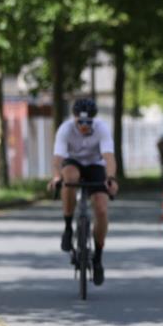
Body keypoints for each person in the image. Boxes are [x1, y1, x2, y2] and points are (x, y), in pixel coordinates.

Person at [47, 98, 119, 285]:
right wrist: (56, 177)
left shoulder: (102, 128)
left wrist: (111, 178)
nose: (84, 126)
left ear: (94, 120)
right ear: (74, 118)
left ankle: (98, 258)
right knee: (69, 178)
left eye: (88, 122)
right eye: (80, 122)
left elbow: (109, 157)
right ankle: (68, 227)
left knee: (101, 209)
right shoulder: (65, 129)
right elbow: (57, 159)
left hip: (95, 165)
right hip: (73, 163)